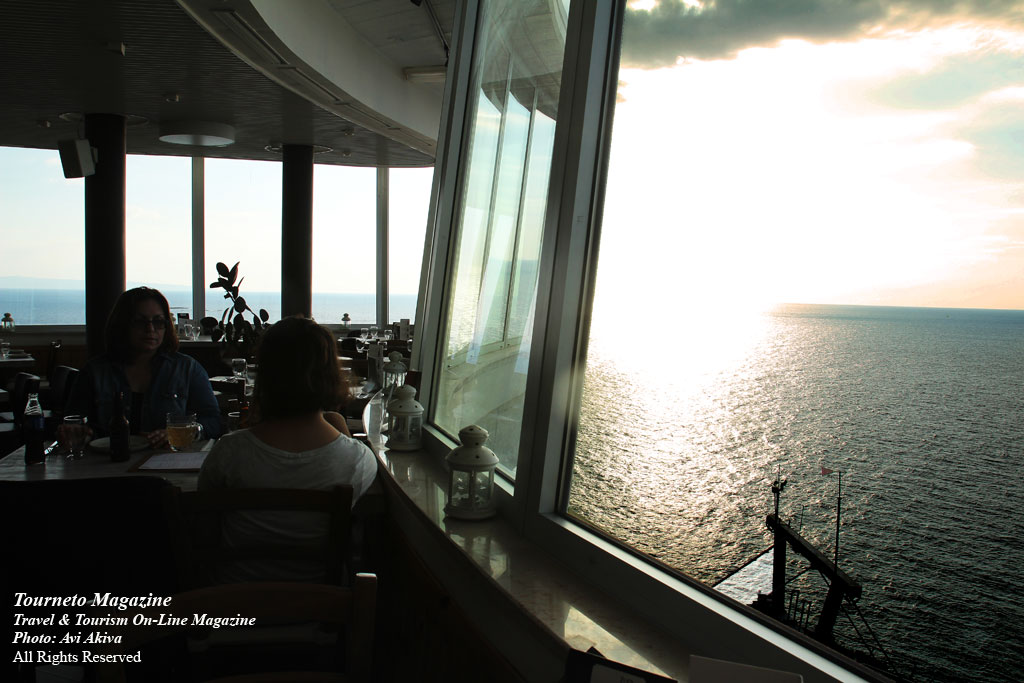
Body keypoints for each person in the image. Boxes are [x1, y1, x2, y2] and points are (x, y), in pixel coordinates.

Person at [197, 316, 378, 582]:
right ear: (330, 376)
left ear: (265, 376)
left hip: (234, 597)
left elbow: (205, 525)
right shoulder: (357, 459)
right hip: (319, 600)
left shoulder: (229, 452)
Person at [63, 287, 223, 447]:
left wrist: (184, 432)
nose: (150, 329)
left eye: (158, 322)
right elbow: (75, 422)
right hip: (106, 459)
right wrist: (77, 433)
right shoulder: (95, 372)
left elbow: (214, 422)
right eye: (140, 322)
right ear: (122, 325)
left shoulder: (187, 369)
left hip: (167, 459)